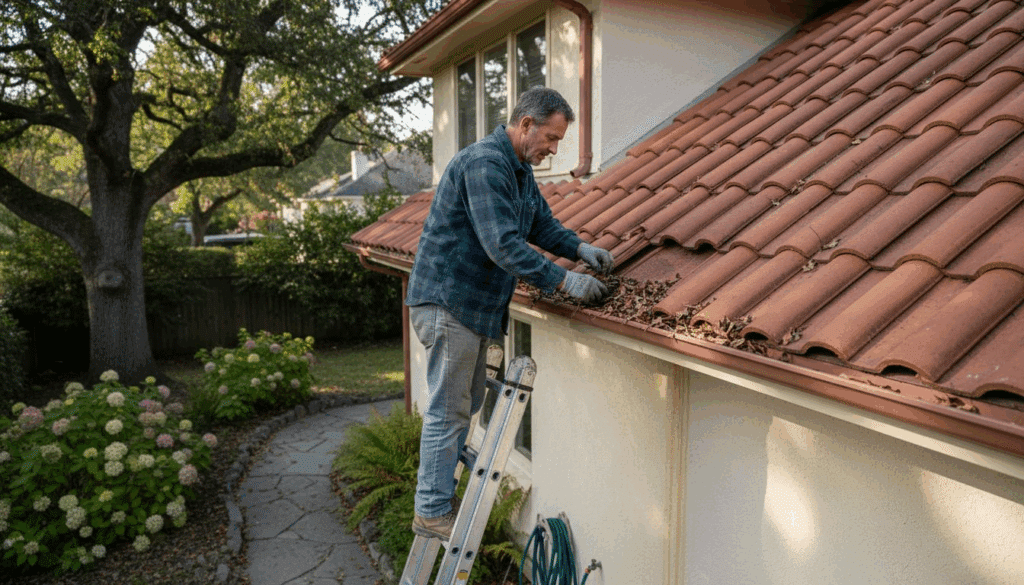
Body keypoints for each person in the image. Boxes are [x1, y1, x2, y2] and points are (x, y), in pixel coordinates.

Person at [405, 87, 614, 541]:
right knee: (449, 410)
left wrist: (578, 248)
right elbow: (502, 243)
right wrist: (564, 280)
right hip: (449, 302)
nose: (555, 149)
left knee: (467, 405)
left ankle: (440, 493)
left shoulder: (518, 170)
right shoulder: (485, 163)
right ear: (525, 125)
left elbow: (540, 225)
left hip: (472, 309)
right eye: (552, 138)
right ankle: (431, 511)